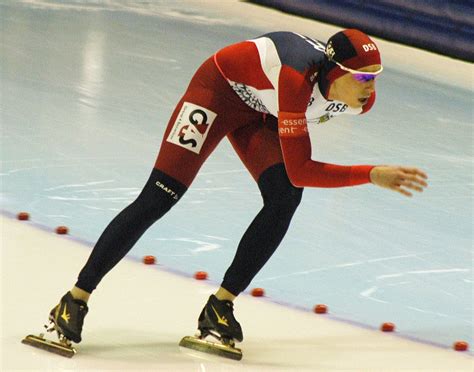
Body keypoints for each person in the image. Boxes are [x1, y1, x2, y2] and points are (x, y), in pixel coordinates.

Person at [48, 29, 428, 347]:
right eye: (362, 77)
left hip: (264, 109)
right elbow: (301, 169)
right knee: (160, 195)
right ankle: (75, 299)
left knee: (284, 200)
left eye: (375, 76)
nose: (370, 88)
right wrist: (371, 173)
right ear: (333, 72)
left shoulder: (362, 101)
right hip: (217, 92)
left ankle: (220, 306)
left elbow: (294, 168)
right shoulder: (297, 79)